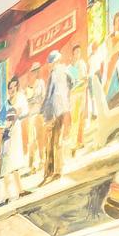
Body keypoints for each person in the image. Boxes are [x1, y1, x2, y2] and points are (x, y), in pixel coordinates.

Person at [40, 50, 71, 182]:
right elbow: (72, 83)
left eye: (50, 63)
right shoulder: (65, 71)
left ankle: (52, 170)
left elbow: (48, 94)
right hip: (63, 108)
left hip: (53, 110)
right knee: (57, 139)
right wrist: (65, 96)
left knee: (51, 140)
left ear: (54, 62)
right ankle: (57, 169)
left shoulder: (53, 74)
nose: (50, 65)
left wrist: (43, 109)